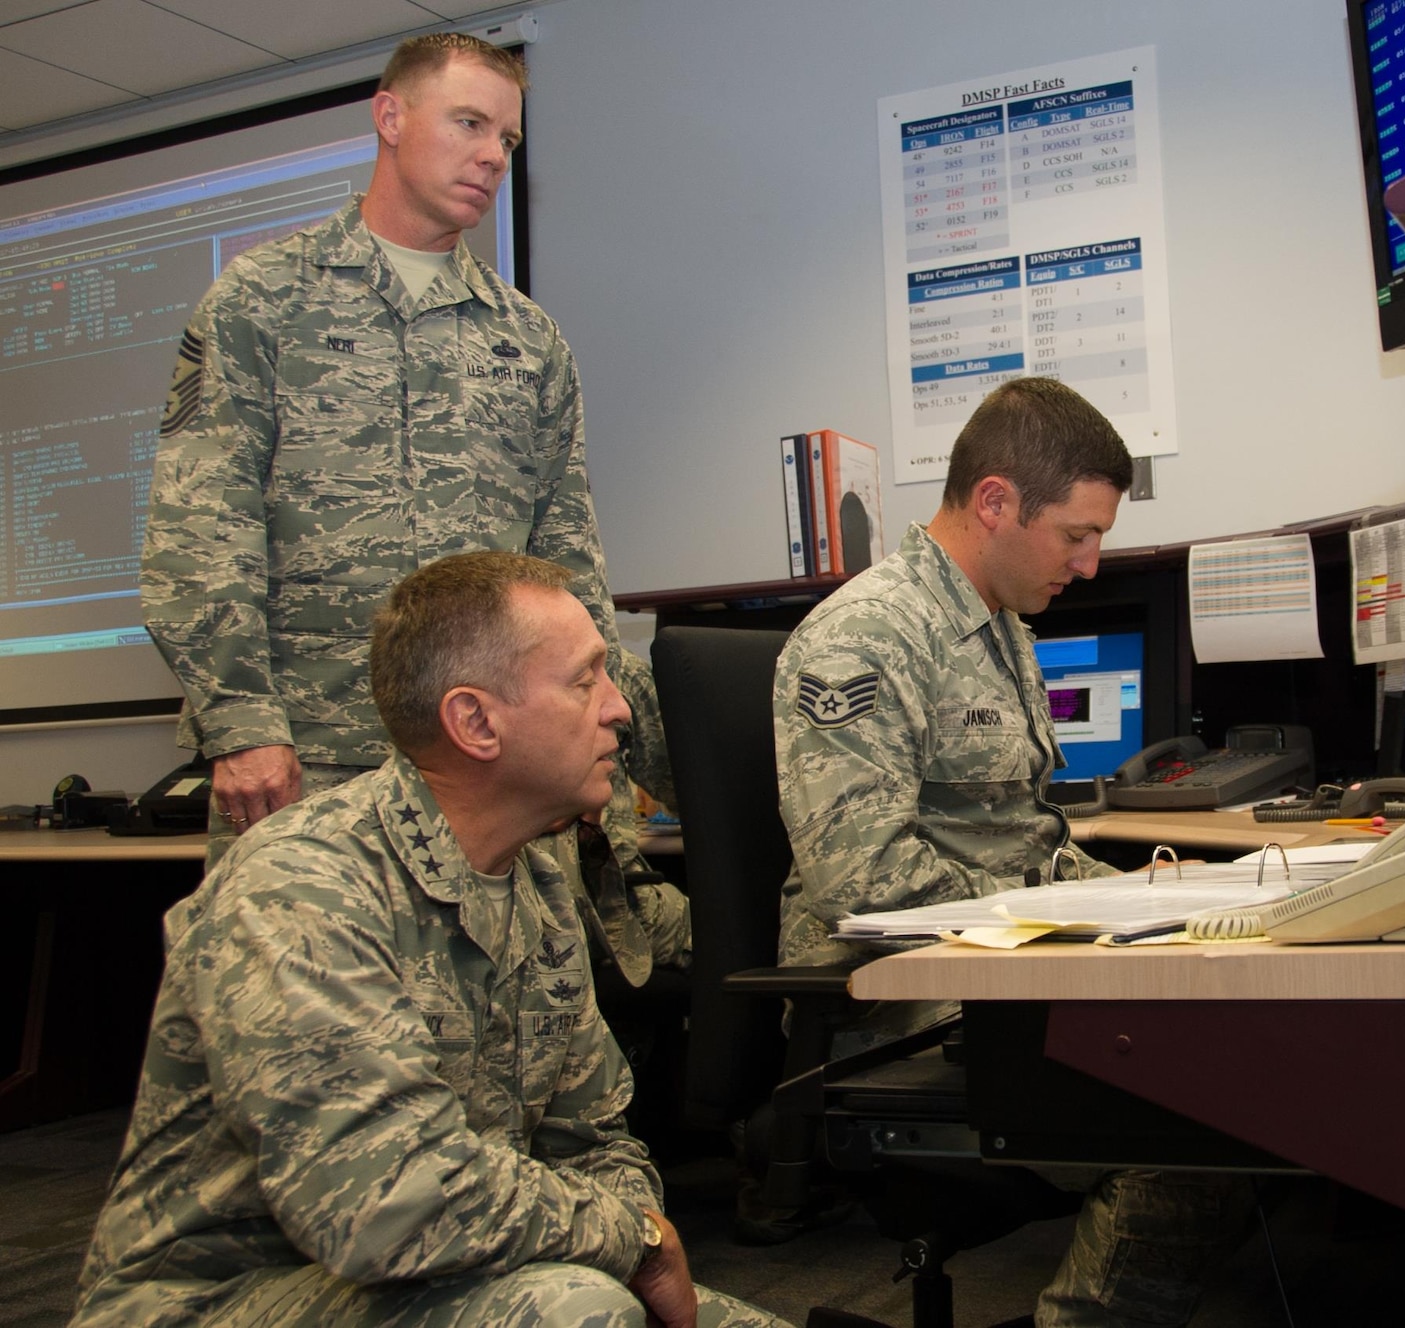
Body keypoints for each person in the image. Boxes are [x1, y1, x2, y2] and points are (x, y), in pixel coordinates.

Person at [72, 552, 785, 1328]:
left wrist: (628, 1234)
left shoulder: (536, 885)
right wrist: (634, 1240)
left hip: (454, 1261)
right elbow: (384, 1202)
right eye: (586, 681)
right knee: (578, 1313)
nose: (619, 710)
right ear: (475, 722)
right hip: (226, 1294)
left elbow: (594, 1139)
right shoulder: (301, 892)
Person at [140, 30, 683, 974]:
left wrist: (593, 724)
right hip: (313, 760)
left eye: (507, 140)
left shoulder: (529, 342)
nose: (491, 157)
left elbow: (569, 559)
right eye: (468, 123)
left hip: (496, 769)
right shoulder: (264, 302)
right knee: (299, 1032)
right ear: (390, 118)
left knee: (510, 1043)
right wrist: (241, 727)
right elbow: (201, 527)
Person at [773, 377, 1253, 1327]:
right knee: (1205, 1122)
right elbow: (862, 884)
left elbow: (1029, 845)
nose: (1089, 563)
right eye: (1077, 533)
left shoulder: (998, 629)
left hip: (997, 968)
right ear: (995, 501)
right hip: (904, 1000)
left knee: (1245, 1044)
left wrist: (1156, 903)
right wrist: (1066, 928)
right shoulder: (865, 639)